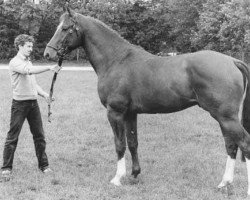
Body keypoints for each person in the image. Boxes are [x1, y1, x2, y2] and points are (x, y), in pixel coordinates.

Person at [1, 34, 61, 181]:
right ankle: (6, 168)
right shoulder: (15, 62)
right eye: (28, 46)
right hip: (19, 105)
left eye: (31, 46)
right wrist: (49, 67)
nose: (31, 49)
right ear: (20, 46)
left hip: (33, 104)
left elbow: (33, 83)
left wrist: (45, 95)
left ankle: (44, 166)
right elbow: (29, 72)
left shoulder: (28, 61)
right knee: (12, 137)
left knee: (39, 136)